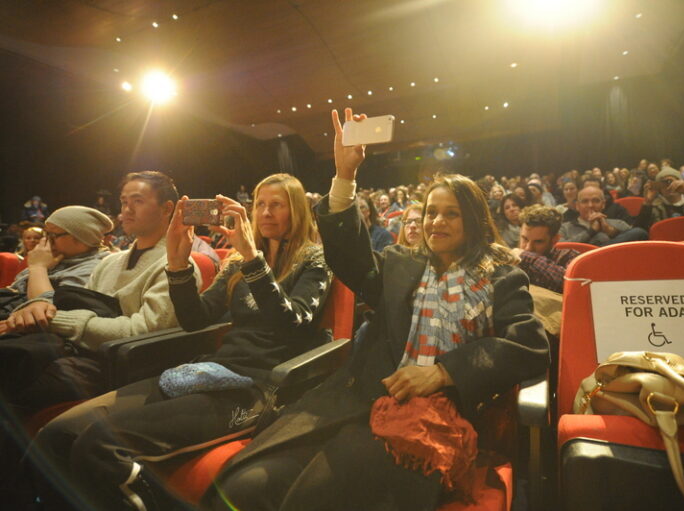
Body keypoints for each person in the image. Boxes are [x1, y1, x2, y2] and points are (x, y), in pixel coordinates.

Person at [203, 108, 549, 511]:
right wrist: (345, 177)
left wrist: (443, 372)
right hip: (358, 399)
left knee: (310, 499)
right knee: (247, 484)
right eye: (431, 212)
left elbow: (528, 345)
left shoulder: (502, 276)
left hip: (427, 417)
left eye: (451, 213)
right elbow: (349, 258)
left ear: (473, 220)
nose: (437, 221)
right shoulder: (401, 263)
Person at [32, 174, 333, 511]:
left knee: (100, 444)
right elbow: (195, 318)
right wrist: (177, 265)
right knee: (59, 435)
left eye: (276, 205)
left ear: (297, 211)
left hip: (260, 386)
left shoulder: (314, 261)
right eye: (260, 204)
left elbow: (292, 324)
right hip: (213, 370)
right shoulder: (236, 263)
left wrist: (252, 260)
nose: (264, 212)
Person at [0, 171, 199, 412]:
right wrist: (36, 311)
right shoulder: (110, 263)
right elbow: (77, 305)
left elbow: (143, 332)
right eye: (124, 201)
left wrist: (56, 320)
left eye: (137, 201)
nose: (126, 209)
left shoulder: (178, 267)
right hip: (75, 348)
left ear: (167, 209)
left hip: (114, 363)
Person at [0, 206, 113, 321]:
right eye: (46, 234)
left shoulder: (95, 267)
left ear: (81, 237)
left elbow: (47, 311)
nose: (46, 241)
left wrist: (38, 267)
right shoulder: (57, 258)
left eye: (54, 235)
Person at [515, 205, 579, 293]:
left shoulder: (569, 256)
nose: (528, 248)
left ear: (554, 240)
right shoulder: (514, 260)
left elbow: (569, 285)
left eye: (538, 242)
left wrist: (525, 256)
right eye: (525, 239)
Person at [559, 186, 648, 246]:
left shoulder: (618, 223)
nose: (590, 205)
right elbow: (560, 248)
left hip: (616, 267)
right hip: (583, 269)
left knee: (639, 232)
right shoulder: (565, 227)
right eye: (585, 201)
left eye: (596, 201)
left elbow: (639, 237)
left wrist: (610, 231)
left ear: (603, 204)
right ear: (577, 206)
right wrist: (591, 232)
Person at [634, 167, 684, 231]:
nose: (668, 186)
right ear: (659, 187)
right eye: (663, 183)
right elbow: (639, 232)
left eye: (671, 181)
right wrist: (647, 203)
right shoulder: (655, 207)